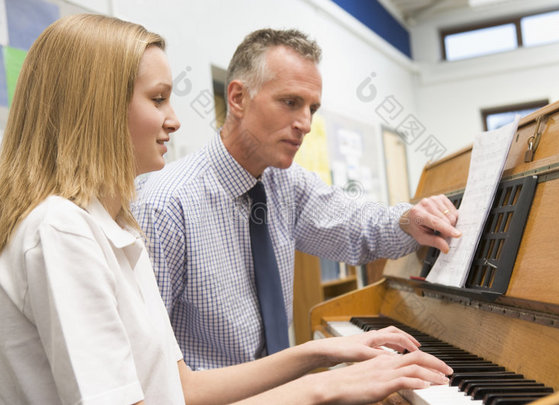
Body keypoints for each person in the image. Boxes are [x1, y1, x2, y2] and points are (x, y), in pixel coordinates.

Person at [0, 14, 454, 405]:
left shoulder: (117, 223)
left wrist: (326, 356)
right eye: (158, 99)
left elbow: (179, 387)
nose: (305, 124)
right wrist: (325, 388)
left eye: (311, 107)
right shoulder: (86, 225)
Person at [133, 27, 461, 370]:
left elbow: (354, 225)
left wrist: (408, 219)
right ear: (238, 98)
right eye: (290, 102)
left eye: (312, 108)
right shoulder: (164, 205)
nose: (305, 123)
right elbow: (148, 367)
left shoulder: (284, 182)